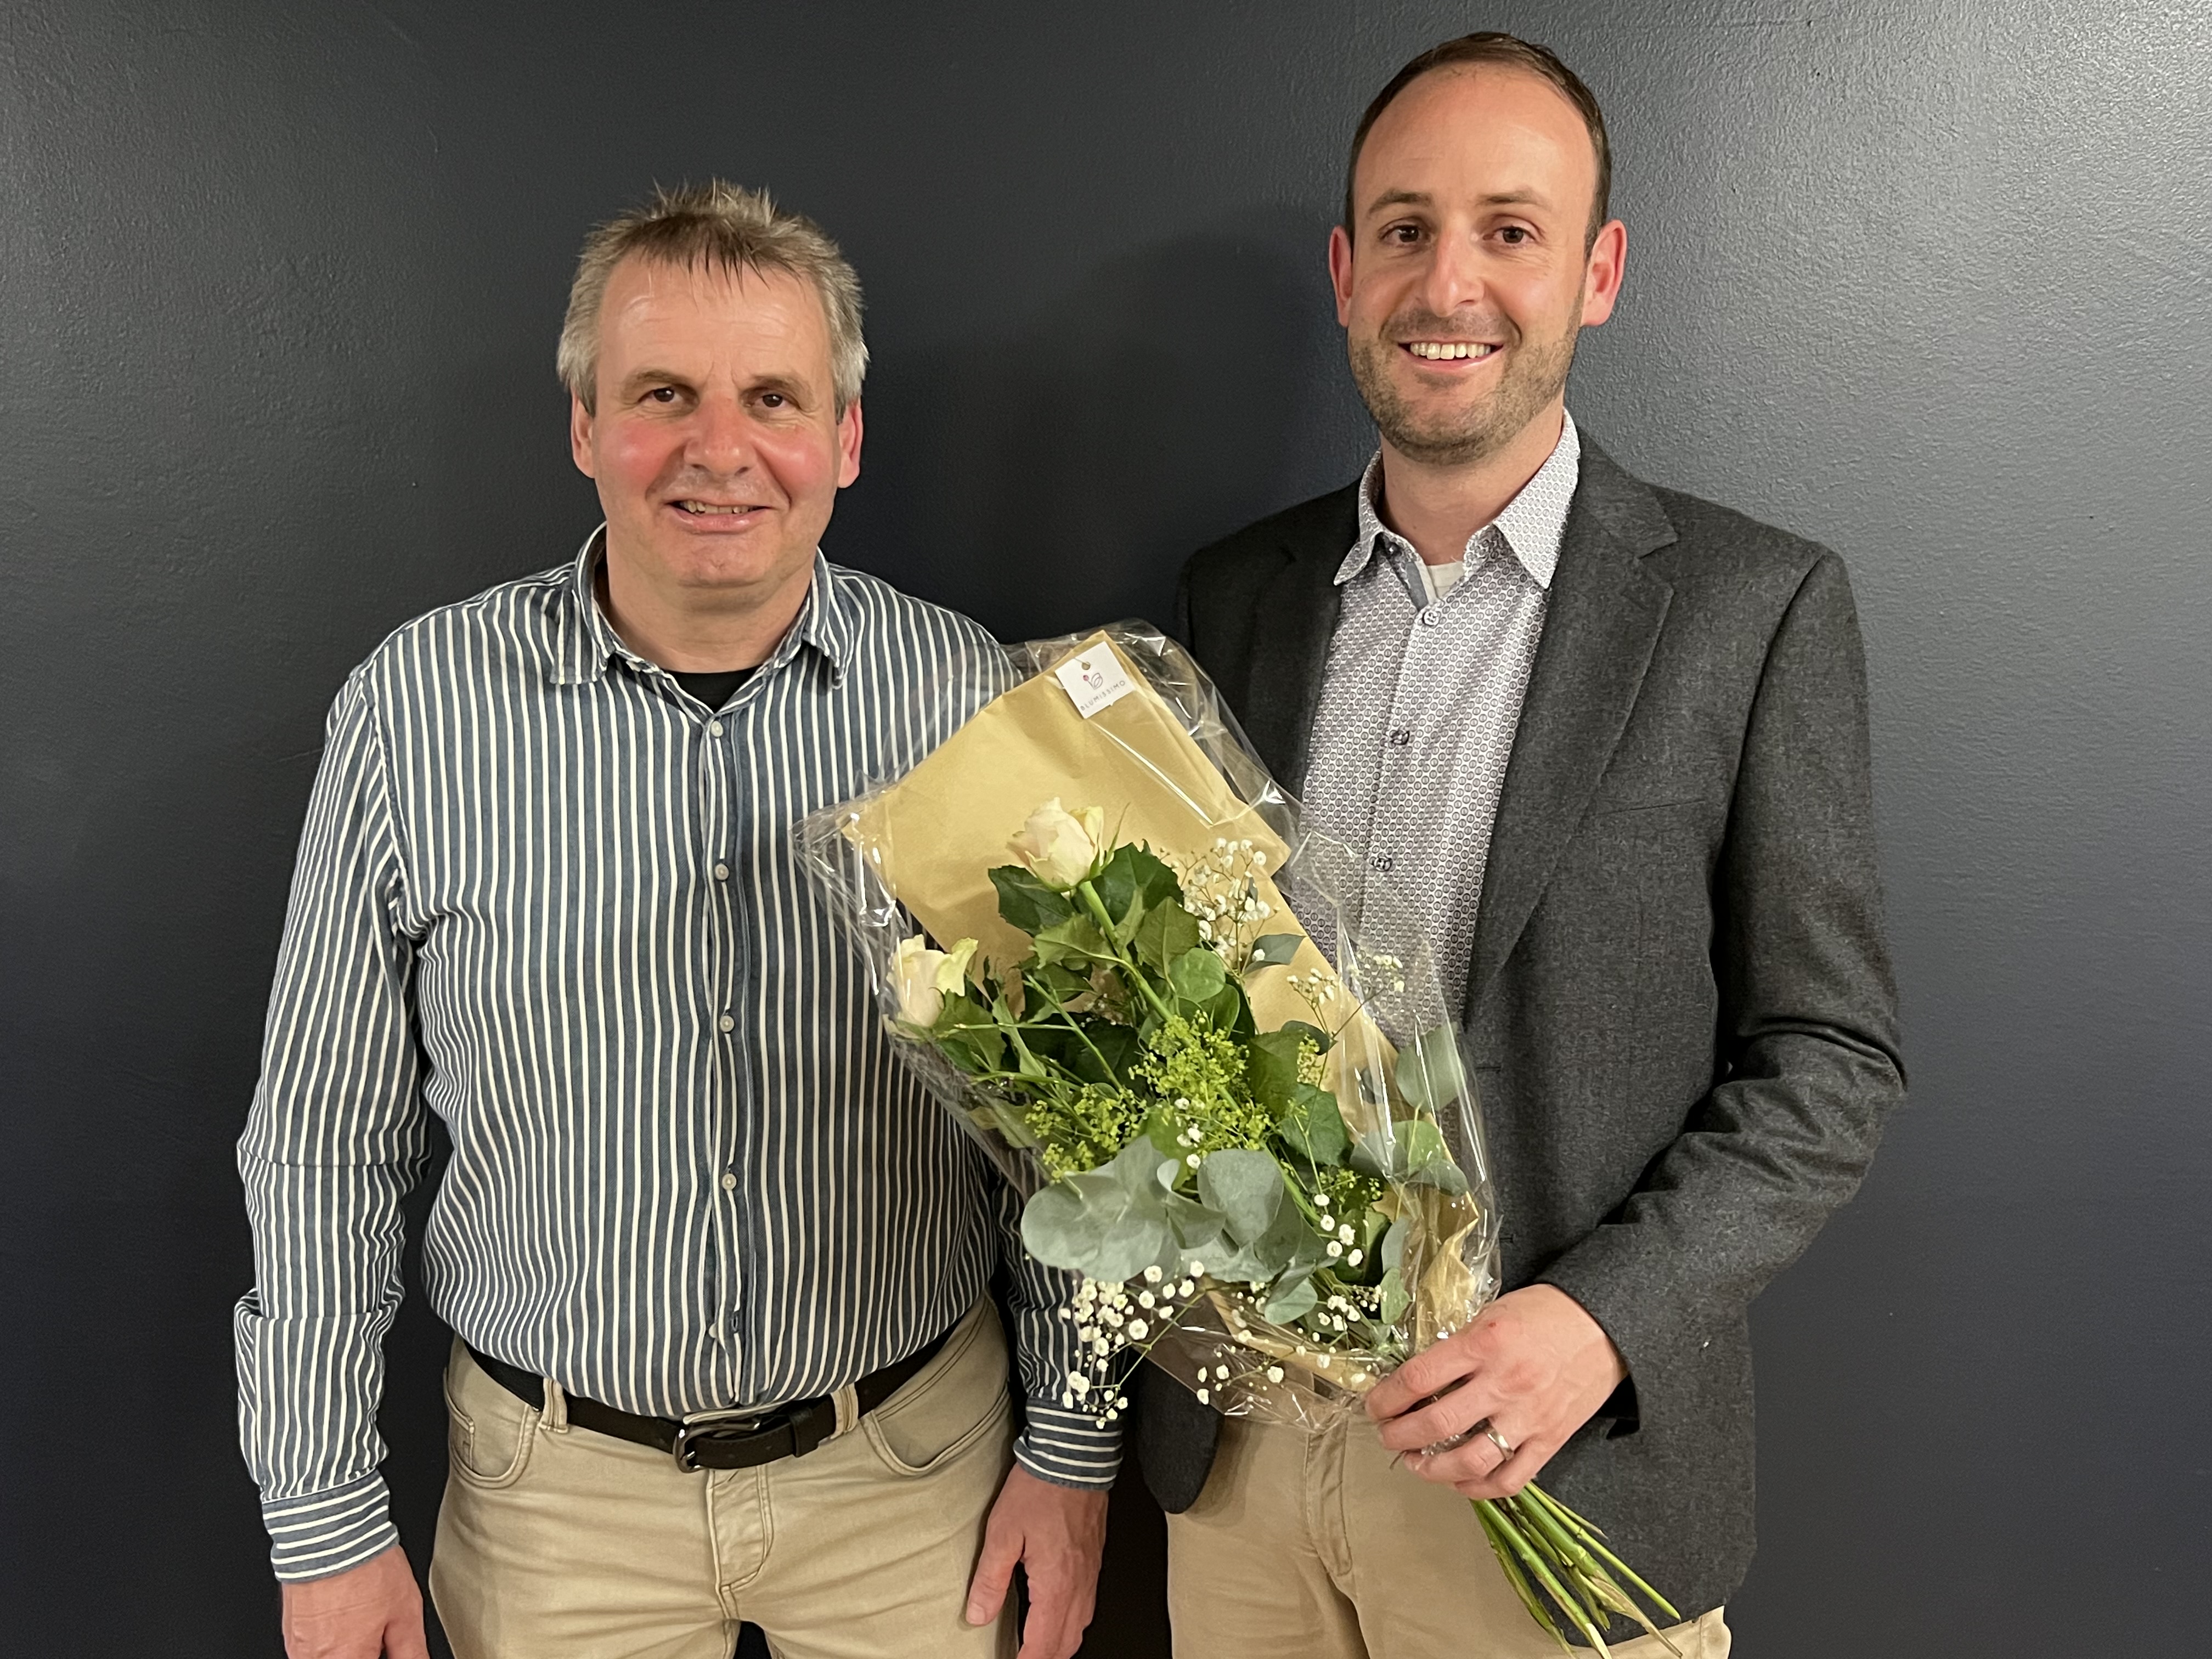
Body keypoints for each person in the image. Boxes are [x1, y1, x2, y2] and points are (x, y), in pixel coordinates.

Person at [234, 182, 1110, 1659]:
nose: (720, 448)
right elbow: (326, 1139)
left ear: (845, 437)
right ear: (586, 427)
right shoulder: (415, 711)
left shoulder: (964, 696)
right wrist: (323, 1514)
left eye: (774, 397)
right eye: (662, 395)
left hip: (917, 1488)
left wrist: (1073, 1443)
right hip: (551, 1511)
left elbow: (1068, 1115)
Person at [1146, 33, 1904, 1658]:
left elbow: (1830, 1058)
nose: (1451, 283)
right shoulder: (1230, 596)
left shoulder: (1753, 609)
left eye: (1511, 230)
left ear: (1598, 273)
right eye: (1406, 229)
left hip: (1564, 1477)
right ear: (1347, 272)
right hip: (1244, 1476)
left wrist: (1600, 1321)